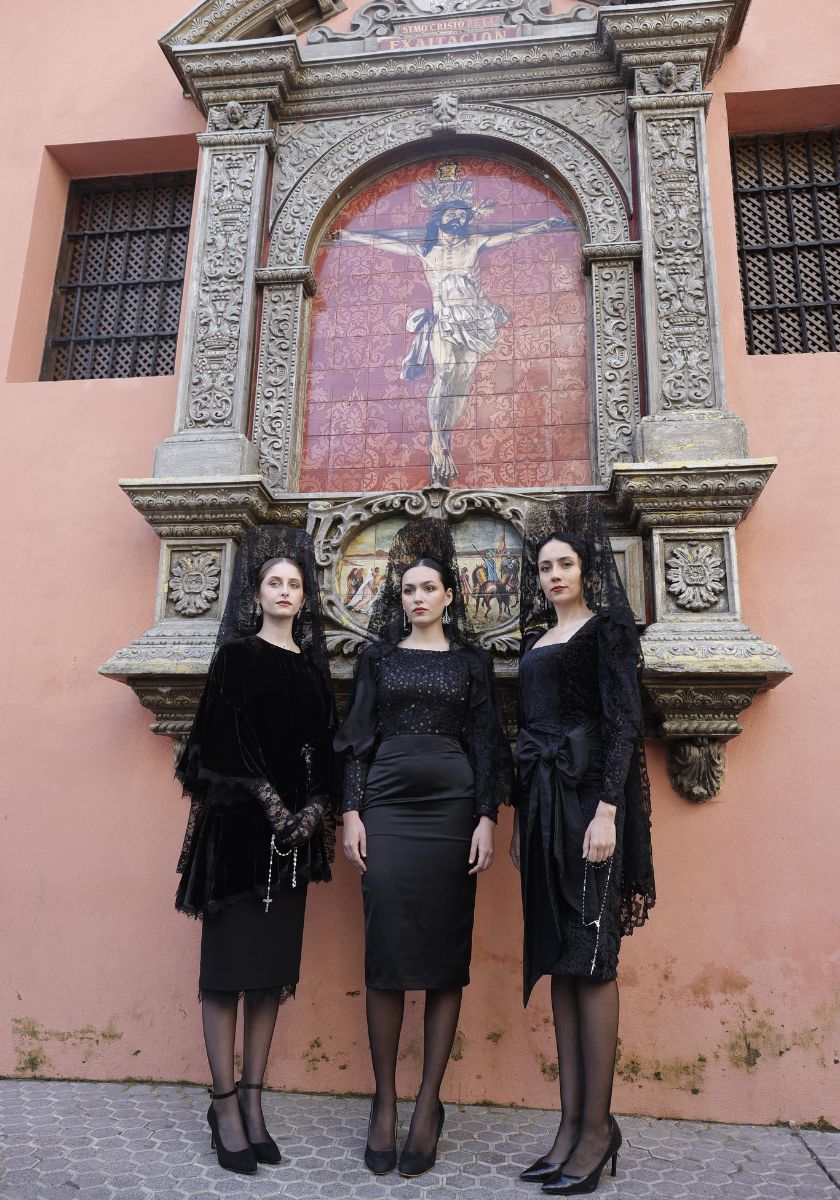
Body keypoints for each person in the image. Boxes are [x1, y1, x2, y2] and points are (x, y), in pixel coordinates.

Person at [335, 517, 511, 1178]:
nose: (417, 597)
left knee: (442, 958)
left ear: (448, 595)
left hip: (452, 814)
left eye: (428, 587)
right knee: (385, 954)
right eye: (407, 587)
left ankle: (428, 1105)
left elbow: (489, 742)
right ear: (399, 596)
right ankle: (384, 1103)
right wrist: (351, 812)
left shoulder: (472, 662)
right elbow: (356, 738)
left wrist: (488, 816)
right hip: (386, 811)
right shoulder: (378, 659)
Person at [175, 526, 336, 1176]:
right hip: (239, 836)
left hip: (293, 845)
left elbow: (324, 749)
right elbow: (217, 743)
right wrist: (271, 803)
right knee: (225, 977)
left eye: (295, 583)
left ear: (304, 596)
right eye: (275, 581)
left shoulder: (309, 666)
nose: (286, 591)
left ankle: (253, 1101)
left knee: (268, 978)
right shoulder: (236, 657)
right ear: (258, 591)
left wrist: (316, 807)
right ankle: (222, 1104)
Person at [510, 496, 655, 1195]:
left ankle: (599, 1131)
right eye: (545, 566)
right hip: (542, 809)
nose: (554, 573)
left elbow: (625, 725)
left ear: (586, 567)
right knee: (562, 963)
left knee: (593, 963)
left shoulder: (607, 632)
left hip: (589, 807)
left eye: (565, 562)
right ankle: (568, 1127)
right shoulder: (533, 642)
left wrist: (605, 813)